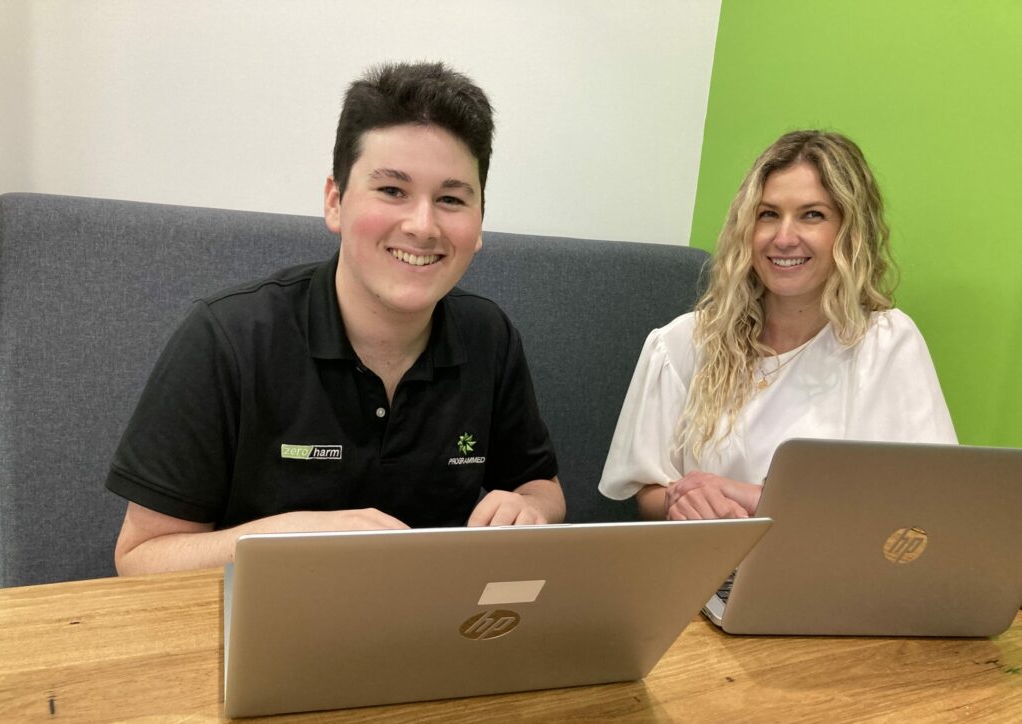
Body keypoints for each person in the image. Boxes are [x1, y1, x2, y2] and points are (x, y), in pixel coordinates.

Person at [107, 62, 565, 575]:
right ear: (335, 202)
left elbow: (540, 486)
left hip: (432, 629)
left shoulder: (490, 337)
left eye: (451, 199)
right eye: (392, 190)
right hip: (259, 635)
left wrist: (531, 509)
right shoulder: (229, 338)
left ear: (480, 222)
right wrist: (292, 535)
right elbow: (139, 558)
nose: (422, 225)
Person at [599, 130, 956, 521]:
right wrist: (680, 501)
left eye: (812, 215)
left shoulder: (886, 344)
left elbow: (922, 501)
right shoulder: (684, 342)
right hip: (710, 570)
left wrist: (752, 497)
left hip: (831, 574)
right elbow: (649, 488)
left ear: (850, 232)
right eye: (768, 214)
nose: (784, 238)